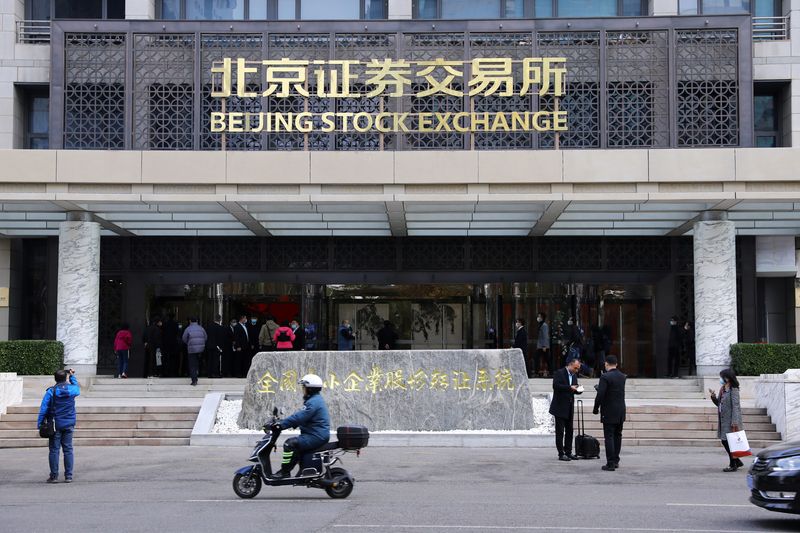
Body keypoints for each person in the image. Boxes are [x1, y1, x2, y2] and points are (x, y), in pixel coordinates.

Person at [270, 374, 330, 479]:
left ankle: (285, 472)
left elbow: (299, 417)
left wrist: (281, 425)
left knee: (290, 444)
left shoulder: (313, 403)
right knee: (296, 446)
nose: (302, 389)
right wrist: (283, 422)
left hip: (316, 436)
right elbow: (301, 417)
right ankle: (301, 470)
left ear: (310, 389)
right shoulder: (314, 400)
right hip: (315, 434)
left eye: (304, 387)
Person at [38, 369, 80, 483]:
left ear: (55, 379)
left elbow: (43, 409)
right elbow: (76, 386)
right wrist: (71, 376)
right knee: (68, 449)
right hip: (69, 423)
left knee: (54, 450)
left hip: (55, 424)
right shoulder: (73, 389)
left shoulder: (51, 391)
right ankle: (69, 476)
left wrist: (40, 424)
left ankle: (54, 476)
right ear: (65, 378)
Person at [592, 355, 627, 471]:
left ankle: (610, 463)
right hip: (620, 410)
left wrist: (596, 408)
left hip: (609, 411)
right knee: (618, 435)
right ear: (616, 364)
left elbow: (601, 394)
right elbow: (614, 391)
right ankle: (616, 460)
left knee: (609, 437)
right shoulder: (622, 376)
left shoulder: (605, 377)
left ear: (606, 364)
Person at [710, 369, 745, 472]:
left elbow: (736, 406)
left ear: (728, 378)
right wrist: (713, 397)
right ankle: (736, 461)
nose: (721, 379)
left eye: (722, 377)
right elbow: (719, 404)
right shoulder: (723, 389)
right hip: (723, 420)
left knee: (728, 442)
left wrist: (735, 421)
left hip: (731, 421)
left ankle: (733, 464)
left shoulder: (733, 389)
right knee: (725, 441)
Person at [549, 357, 582, 461]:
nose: (576, 370)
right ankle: (561, 453)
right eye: (575, 368)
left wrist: (578, 390)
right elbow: (556, 386)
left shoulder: (574, 375)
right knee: (560, 431)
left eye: (578, 369)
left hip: (569, 406)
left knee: (570, 431)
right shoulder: (560, 373)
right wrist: (569, 388)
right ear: (570, 365)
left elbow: (574, 388)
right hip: (559, 407)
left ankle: (568, 452)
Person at [182, 318, 207, 386]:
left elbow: (184, 338)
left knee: (192, 365)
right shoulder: (201, 328)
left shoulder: (188, 329)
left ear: (190, 321)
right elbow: (205, 337)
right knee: (199, 363)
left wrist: (189, 343)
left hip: (192, 349)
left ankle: (194, 380)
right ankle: (200, 373)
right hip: (201, 349)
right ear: (197, 321)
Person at [206, 314, 230, 378]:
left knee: (210, 360)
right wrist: (220, 347)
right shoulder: (220, 328)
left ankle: (209, 373)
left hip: (209, 346)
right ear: (220, 319)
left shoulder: (209, 327)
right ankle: (215, 373)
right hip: (217, 346)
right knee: (216, 360)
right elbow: (221, 338)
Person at [161, 313, 181, 377]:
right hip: (173, 343)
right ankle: (173, 372)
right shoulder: (175, 324)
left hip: (166, 343)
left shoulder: (165, 324)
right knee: (173, 359)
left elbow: (162, 333)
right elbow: (177, 333)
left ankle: (166, 372)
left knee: (166, 358)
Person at [535, 312, 550, 377]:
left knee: (545, 359)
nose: (538, 318)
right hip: (540, 346)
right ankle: (540, 372)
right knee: (541, 359)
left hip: (543, 346)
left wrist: (544, 346)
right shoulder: (540, 324)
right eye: (538, 316)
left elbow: (545, 336)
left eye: (540, 317)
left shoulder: (544, 325)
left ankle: (546, 372)